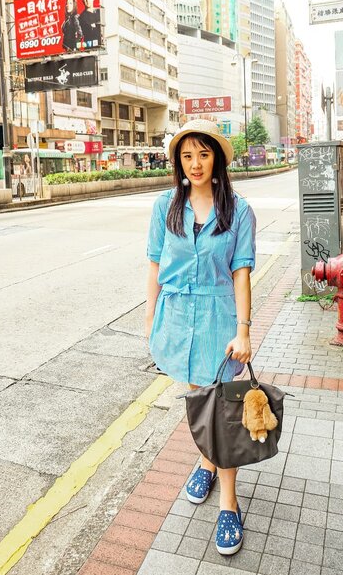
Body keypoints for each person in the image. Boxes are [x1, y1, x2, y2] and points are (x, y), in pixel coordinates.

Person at [145, 119, 256, 556]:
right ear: (178, 161)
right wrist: (151, 321)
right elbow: (154, 265)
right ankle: (205, 461)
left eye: (203, 154)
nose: (195, 164)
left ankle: (229, 502)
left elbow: (241, 272)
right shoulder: (164, 207)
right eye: (186, 156)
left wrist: (244, 329)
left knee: (224, 412)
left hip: (218, 319)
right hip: (176, 318)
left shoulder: (239, 210)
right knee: (199, 403)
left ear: (218, 159)